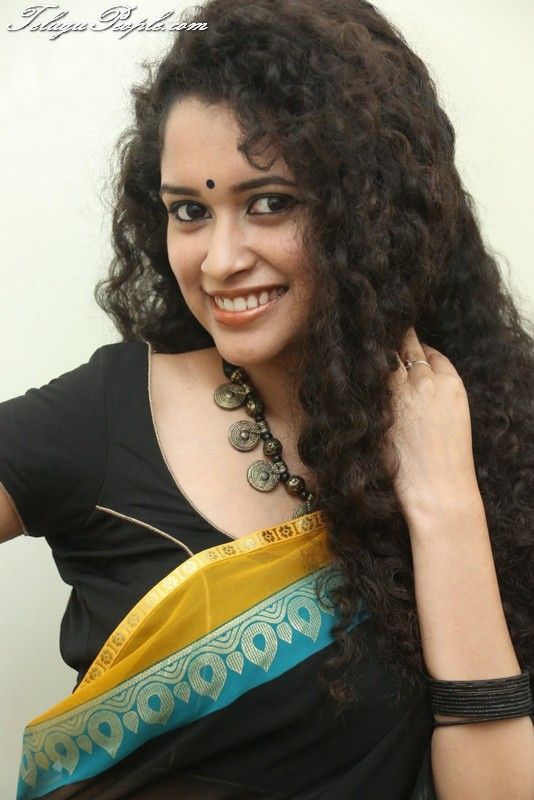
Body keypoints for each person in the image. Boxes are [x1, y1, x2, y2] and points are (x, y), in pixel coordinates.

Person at [1, 0, 533, 797]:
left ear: (369, 210)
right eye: (190, 211)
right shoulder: (107, 417)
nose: (219, 261)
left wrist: (446, 505)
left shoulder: (494, 442)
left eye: (270, 202)